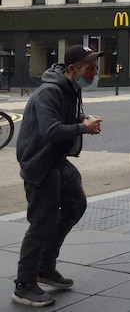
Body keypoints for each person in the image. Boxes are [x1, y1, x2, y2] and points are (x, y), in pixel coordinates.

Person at [13, 45, 104, 307]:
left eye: (95, 67)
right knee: (42, 222)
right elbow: (50, 130)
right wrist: (82, 128)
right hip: (40, 163)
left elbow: (62, 120)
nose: (94, 72)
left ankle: (45, 265)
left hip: (57, 160)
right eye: (90, 68)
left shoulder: (71, 89)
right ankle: (24, 285)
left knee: (76, 204)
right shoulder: (50, 91)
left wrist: (81, 118)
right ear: (72, 69)